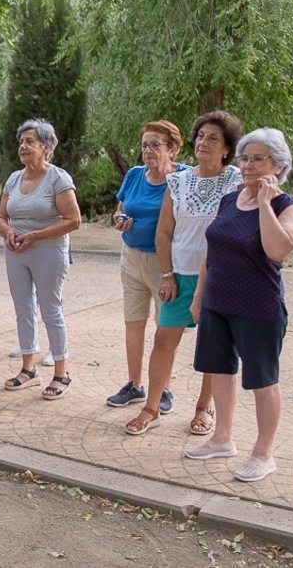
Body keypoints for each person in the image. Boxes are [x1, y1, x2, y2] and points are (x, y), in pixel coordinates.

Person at [181, 129, 293, 484]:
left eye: (258, 159)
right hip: (218, 300)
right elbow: (211, 250)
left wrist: (264, 202)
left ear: (278, 166)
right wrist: (200, 295)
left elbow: (277, 249)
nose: (247, 165)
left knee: (263, 380)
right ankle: (222, 439)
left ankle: (263, 454)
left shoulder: (286, 205)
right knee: (219, 370)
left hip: (258, 306)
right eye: (245, 158)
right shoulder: (229, 200)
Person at [125, 110, 242, 436]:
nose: (203, 142)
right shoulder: (178, 181)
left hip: (219, 277)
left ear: (227, 148)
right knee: (164, 339)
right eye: (201, 136)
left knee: (214, 345)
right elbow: (164, 233)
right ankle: (151, 408)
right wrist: (167, 274)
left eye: (213, 138)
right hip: (180, 275)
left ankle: (204, 407)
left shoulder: (235, 180)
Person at [0, 119, 82, 399]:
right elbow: (0, 217)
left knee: (50, 311)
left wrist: (35, 235)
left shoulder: (58, 178)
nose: (23, 146)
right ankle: (28, 369)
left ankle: (61, 373)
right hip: (16, 252)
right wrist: (8, 232)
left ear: (45, 147)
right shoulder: (13, 179)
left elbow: (73, 220)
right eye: (21, 141)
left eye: (30, 141)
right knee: (23, 310)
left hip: (48, 251)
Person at [106, 121, 188, 410]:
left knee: (165, 328)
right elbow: (119, 209)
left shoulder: (185, 178)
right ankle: (134, 384)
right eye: (144, 145)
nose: (148, 151)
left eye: (155, 145)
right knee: (133, 322)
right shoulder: (134, 175)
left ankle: (164, 389)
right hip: (131, 257)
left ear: (173, 149)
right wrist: (120, 220)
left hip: (165, 263)